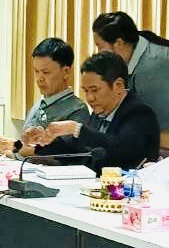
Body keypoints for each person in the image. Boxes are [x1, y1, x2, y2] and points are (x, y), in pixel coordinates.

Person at [23, 52, 159, 172]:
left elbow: (121, 149)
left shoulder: (139, 113)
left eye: (94, 90)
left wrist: (76, 129)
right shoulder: (100, 111)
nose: (89, 98)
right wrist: (44, 140)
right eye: (86, 91)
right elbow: (78, 152)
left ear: (118, 86)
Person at [0, 38, 90, 158]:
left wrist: (13, 146)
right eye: (36, 71)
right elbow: (25, 150)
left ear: (66, 72)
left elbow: (62, 155)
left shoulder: (77, 110)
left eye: (46, 72)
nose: (39, 78)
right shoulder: (38, 105)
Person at [92, 11, 169, 149]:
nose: (99, 53)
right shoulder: (130, 59)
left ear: (119, 43)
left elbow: (161, 132)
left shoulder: (153, 67)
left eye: (100, 47)